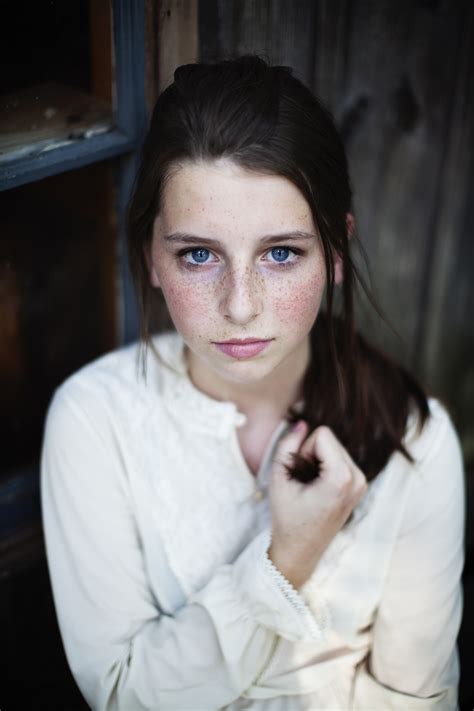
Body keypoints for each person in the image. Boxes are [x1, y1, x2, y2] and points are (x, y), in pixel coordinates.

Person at [41, 56, 464, 710]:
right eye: (199, 254)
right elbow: (121, 693)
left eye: (281, 252)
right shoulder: (95, 420)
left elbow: (418, 698)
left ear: (335, 253)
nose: (240, 305)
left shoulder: (415, 437)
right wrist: (284, 560)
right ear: (153, 255)